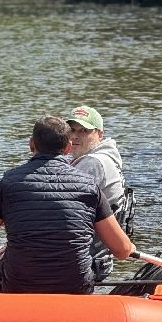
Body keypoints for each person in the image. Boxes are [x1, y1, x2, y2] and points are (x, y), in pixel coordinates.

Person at [0, 115, 135, 294]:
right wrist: (131, 248)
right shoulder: (89, 186)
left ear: (31, 144)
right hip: (76, 286)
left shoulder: (7, 183)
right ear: (67, 147)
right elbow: (122, 250)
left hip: (20, 285)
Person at [66, 105, 128, 282]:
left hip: (84, 257)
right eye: (72, 130)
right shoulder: (104, 158)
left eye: (84, 131)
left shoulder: (92, 164)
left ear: (100, 135)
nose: (75, 136)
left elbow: (63, 211)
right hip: (99, 254)